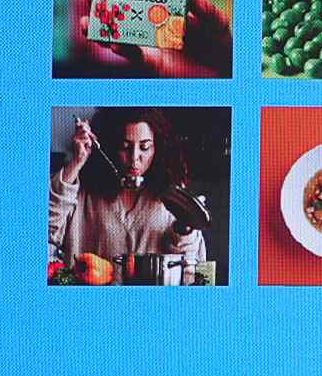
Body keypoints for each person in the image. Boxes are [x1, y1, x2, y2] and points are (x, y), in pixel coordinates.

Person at [49, 111, 211, 280]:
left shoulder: (172, 198)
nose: (134, 159)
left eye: (144, 147)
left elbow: (191, 265)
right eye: (125, 147)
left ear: (158, 147)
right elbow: (48, 227)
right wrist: (77, 161)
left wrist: (185, 228)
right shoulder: (83, 192)